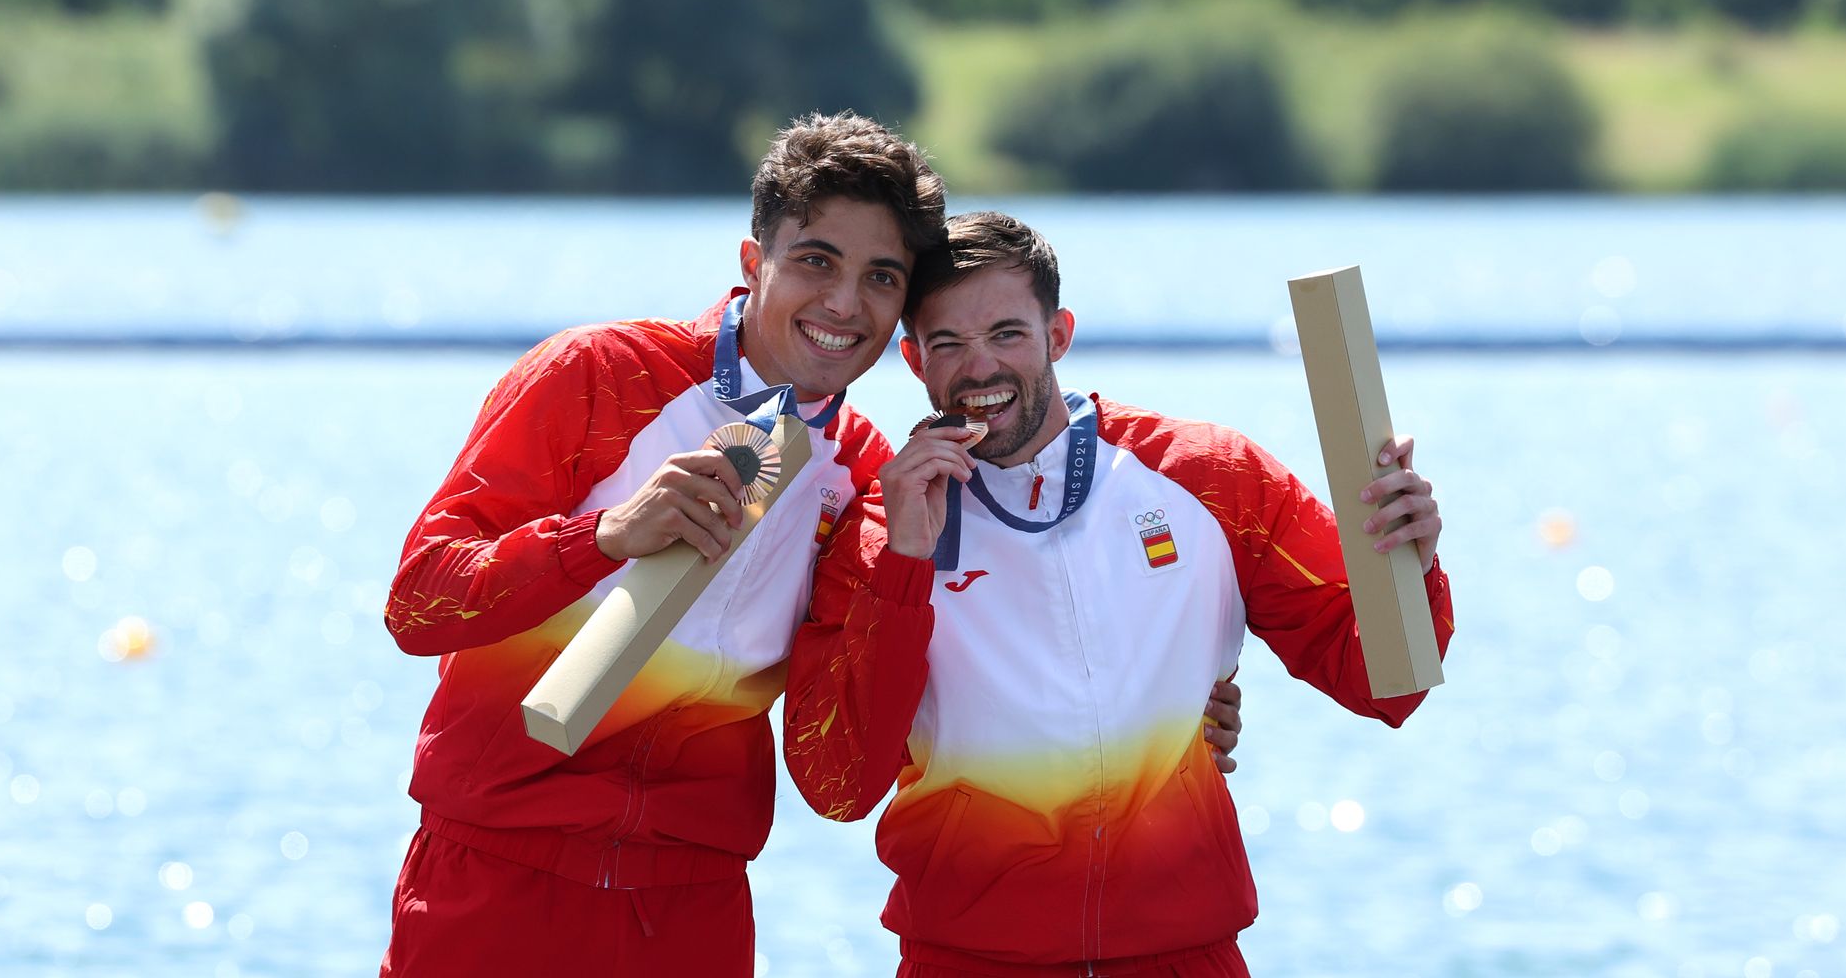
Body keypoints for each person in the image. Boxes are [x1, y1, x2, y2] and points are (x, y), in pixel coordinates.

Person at [784, 211, 1455, 977]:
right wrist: (904, 564)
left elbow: (1387, 687)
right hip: (968, 959)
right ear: (912, 359)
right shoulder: (879, 527)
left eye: (1007, 334)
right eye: (948, 345)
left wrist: (1410, 563)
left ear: (1059, 334)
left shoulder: (1210, 477)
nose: (980, 370)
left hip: (1183, 954)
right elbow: (836, 784)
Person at [376, 112, 949, 976]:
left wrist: (905, 566)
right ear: (753, 263)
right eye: (816, 261)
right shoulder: (597, 375)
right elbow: (418, 602)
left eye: (881, 278)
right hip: (496, 883)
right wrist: (601, 538)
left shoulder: (865, 476)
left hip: (691, 912)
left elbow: (837, 783)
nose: (843, 304)